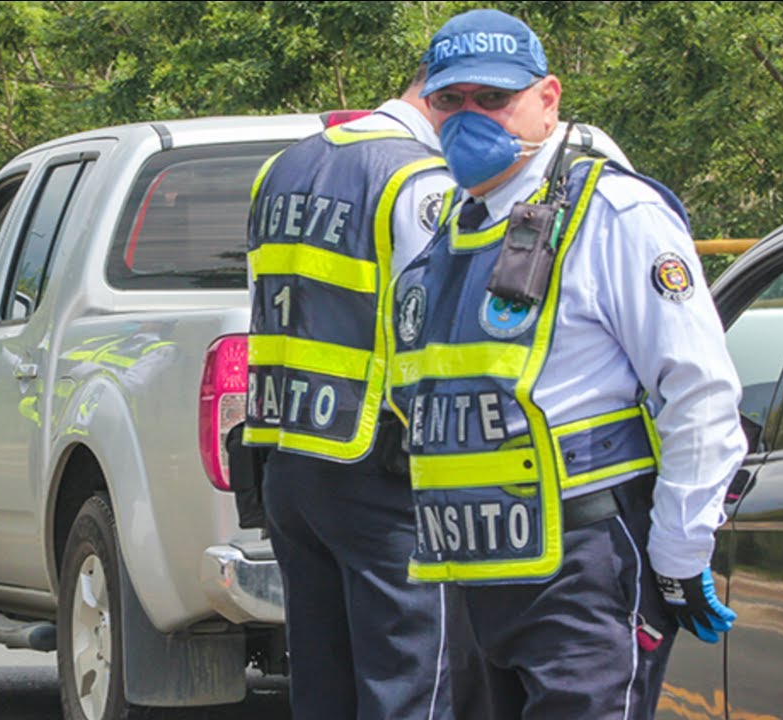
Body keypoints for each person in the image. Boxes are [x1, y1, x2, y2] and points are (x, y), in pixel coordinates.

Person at [385, 9, 745, 718]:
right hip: (472, 579)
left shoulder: (612, 214)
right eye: (450, 101)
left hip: (583, 574)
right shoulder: (449, 231)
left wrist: (678, 554)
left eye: (493, 99)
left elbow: (699, 392)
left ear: (548, 99)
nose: (468, 117)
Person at [243, 65, 456, 719]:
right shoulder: (418, 178)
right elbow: (438, 333)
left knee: (323, 687)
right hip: (382, 473)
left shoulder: (280, 169)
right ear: (441, 99)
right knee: (414, 688)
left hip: (291, 463)